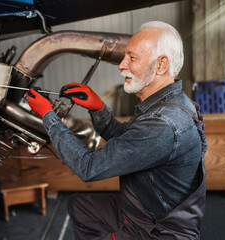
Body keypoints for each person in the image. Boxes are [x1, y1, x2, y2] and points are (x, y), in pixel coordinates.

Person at [27, 21, 207, 240]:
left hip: (156, 232)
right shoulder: (168, 102)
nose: (122, 65)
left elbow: (89, 167)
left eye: (132, 58)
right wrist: (98, 108)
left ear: (161, 65)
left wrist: (48, 117)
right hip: (143, 214)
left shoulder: (164, 124)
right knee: (80, 207)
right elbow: (128, 141)